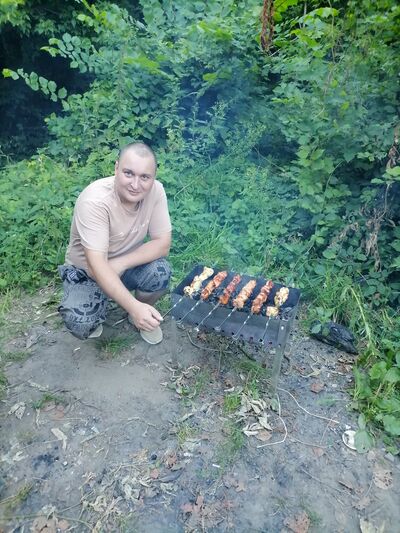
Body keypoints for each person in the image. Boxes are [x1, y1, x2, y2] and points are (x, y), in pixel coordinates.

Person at [58, 142, 172, 344]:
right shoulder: (95, 201)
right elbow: (96, 265)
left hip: (124, 264)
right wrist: (133, 306)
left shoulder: (156, 191)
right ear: (116, 168)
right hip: (87, 272)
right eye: (128, 173)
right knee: (80, 320)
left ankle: (139, 314)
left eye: (144, 177)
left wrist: (121, 264)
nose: (135, 185)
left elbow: (162, 244)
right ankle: (114, 307)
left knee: (160, 272)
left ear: (153, 176)